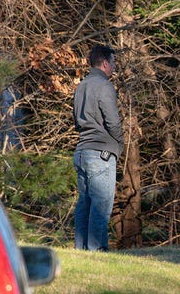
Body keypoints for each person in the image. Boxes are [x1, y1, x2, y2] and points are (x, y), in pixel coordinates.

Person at [73, 45, 124, 251]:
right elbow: (113, 121)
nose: (114, 66)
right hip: (100, 153)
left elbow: (77, 120)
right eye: (113, 62)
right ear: (104, 63)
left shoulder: (82, 86)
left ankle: (81, 250)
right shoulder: (104, 86)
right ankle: (97, 250)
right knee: (101, 204)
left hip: (82, 151)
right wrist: (119, 143)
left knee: (84, 204)